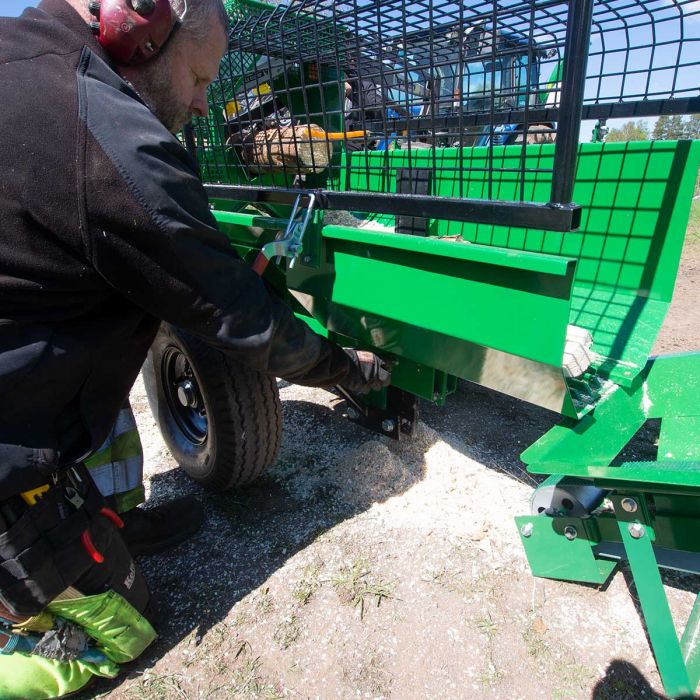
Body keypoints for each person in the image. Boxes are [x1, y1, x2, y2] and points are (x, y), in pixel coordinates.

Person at [0, 0, 390, 696]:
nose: (208, 107)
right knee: (126, 629)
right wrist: (344, 367)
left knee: (109, 337)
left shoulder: (20, 47)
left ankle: (106, 517)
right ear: (141, 32)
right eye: (203, 79)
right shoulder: (110, 143)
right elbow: (239, 319)